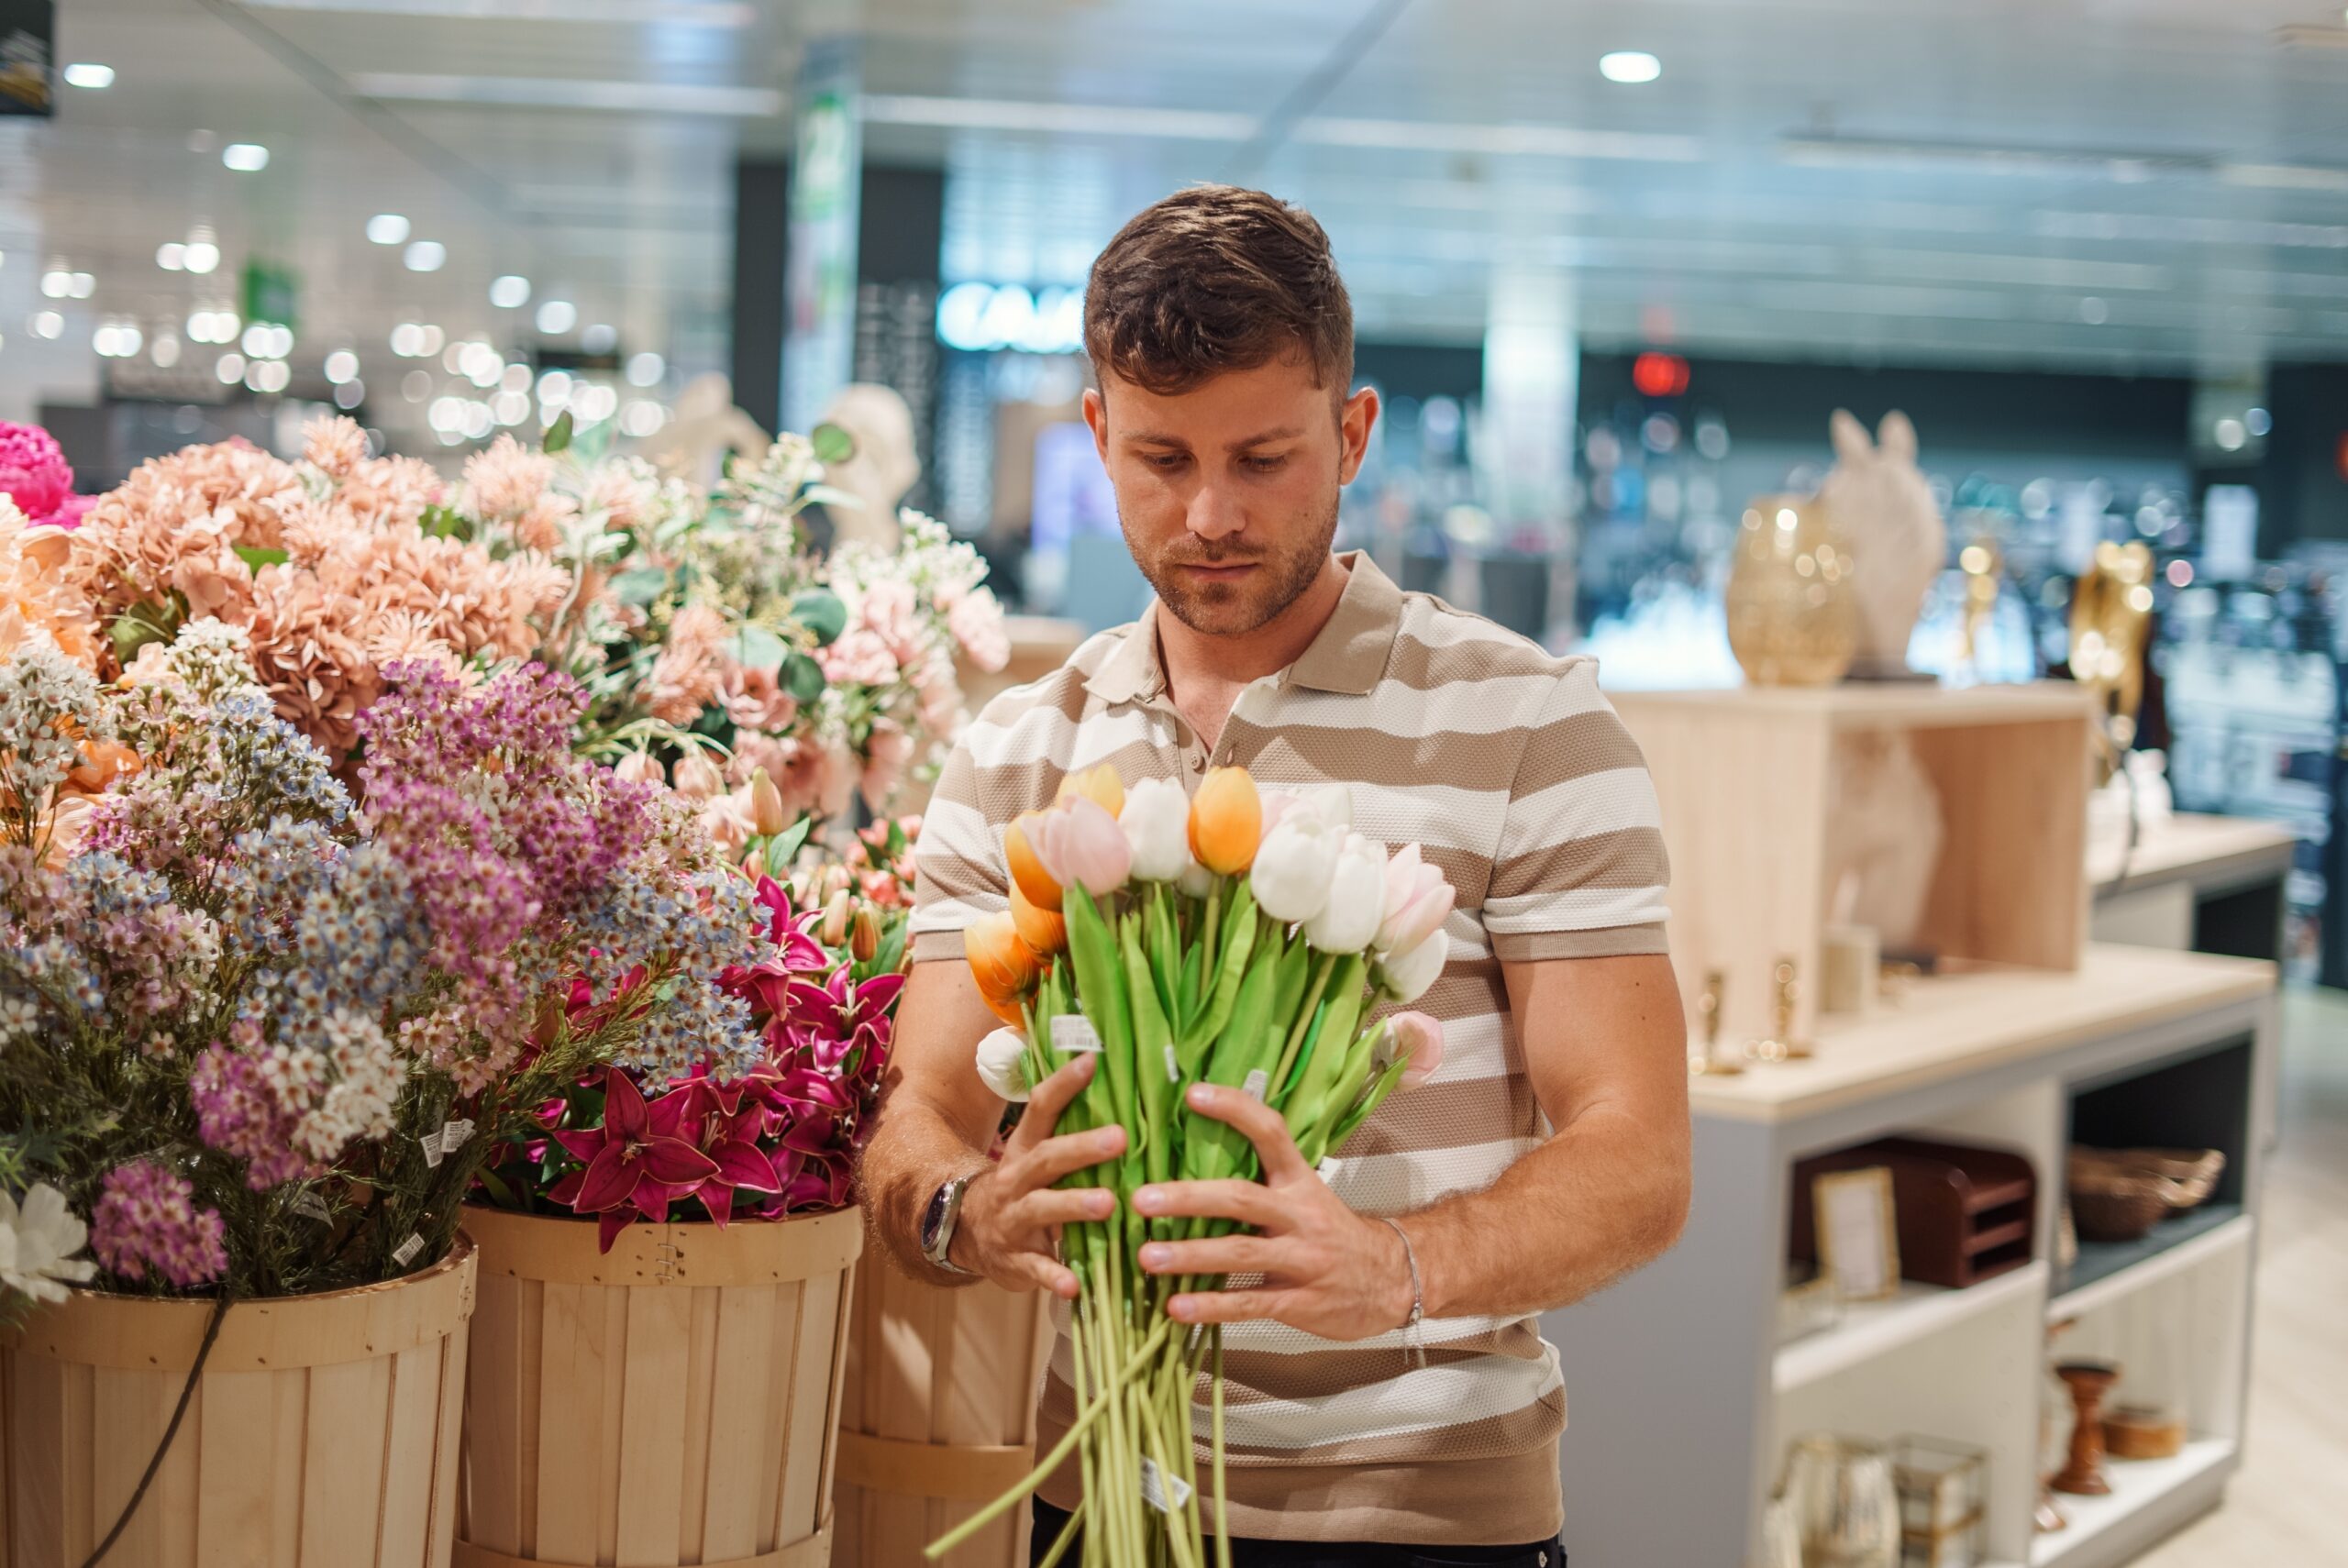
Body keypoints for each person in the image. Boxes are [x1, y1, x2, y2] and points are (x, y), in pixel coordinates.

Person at [860, 184, 1691, 1566]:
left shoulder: (1534, 723)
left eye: (1263, 457)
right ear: (1095, 439)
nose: (1209, 512)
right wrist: (960, 1212)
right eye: (1160, 458)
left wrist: (1397, 1270)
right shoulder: (1014, 750)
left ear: (1352, 432)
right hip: (1099, 1504)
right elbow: (920, 1118)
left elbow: (1640, 1157)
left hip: (1429, 1521)